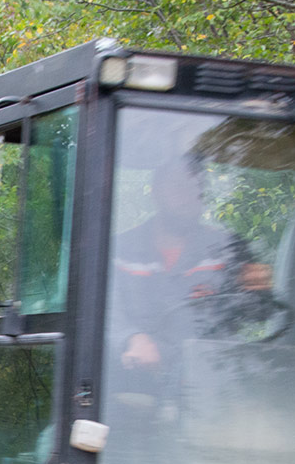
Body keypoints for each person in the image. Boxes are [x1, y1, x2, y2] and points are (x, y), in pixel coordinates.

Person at [109, 160, 272, 373]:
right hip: (133, 383)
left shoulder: (230, 250)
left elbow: (257, 312)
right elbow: (103, 312)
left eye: (196, 187)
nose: (188, 196)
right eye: (178, 186)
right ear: (156, 192)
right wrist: (131, 338)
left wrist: (260, 293)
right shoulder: (119, 251)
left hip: (212, 379)